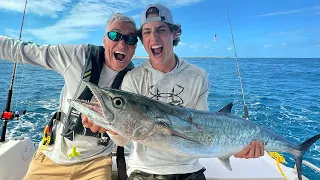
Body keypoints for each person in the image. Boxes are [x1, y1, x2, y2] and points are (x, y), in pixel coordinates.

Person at [85, 4, 265, 180]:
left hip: (190, 170)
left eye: (161, 30)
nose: (154, 38)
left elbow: (205, 130)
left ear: (175, 33)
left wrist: (238, 146)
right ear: (142, 39)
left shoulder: (198, 76)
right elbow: (123, 141)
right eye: (147, 32)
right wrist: (111, 125)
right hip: (145, 171)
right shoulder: (133, 78)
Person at [0, 13, 138, 180]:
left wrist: (110, 127)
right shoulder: (77, 55)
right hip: (52, 156)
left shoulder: (134, 80)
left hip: (97, 162)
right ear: (104, 40)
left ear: (135, 47)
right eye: (115, 35)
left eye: (131, 39)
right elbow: (24, 51)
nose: (122, 42)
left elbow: (124, 140)